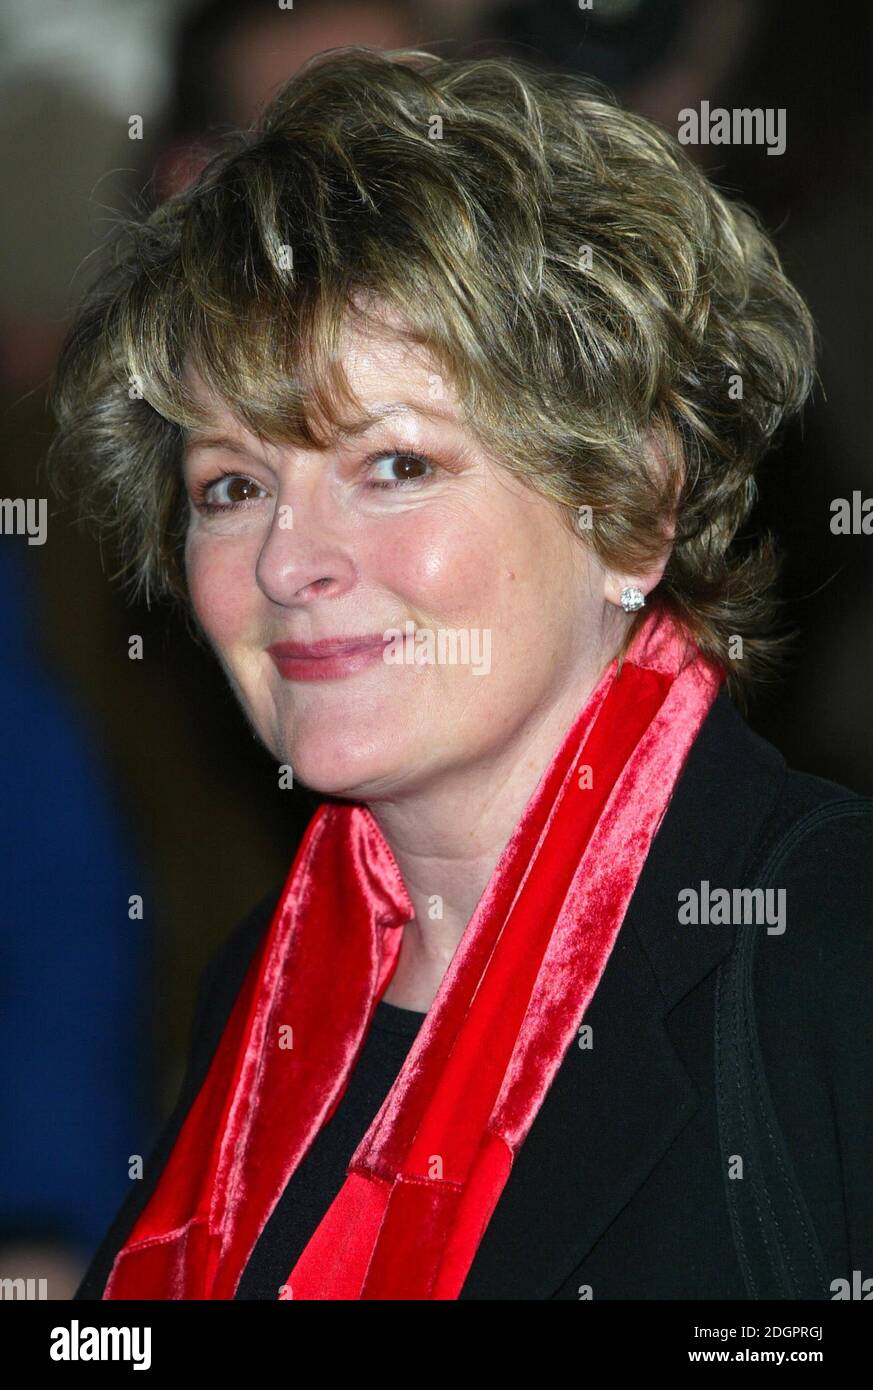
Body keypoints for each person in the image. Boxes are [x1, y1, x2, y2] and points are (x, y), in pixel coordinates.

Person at [48, 47, 872, 1301]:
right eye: (232, 486)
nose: (287, 562)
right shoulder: (263, 995)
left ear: (635, 505)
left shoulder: (828, 947)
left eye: (395, 466)